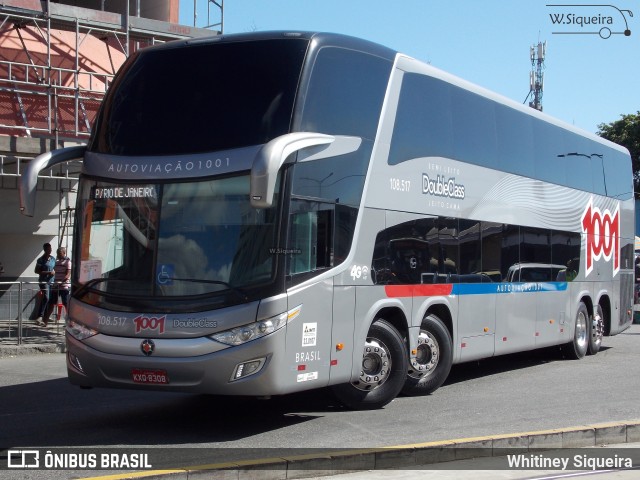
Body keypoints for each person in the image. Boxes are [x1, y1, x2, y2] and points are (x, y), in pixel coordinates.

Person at [42, 247, 71, 327]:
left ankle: (70, 322)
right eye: (57, 253)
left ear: (64, 253)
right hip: (55, 286)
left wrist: (62, 281)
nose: (58, 255)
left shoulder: (68, 261)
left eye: (60, 253)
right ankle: (45, 321)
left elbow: (68, 273)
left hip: (64, 286)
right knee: (51, 303)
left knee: (66, 303)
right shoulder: (56, 261)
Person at [34, 243, 55, 326]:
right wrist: (48, 272)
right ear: (45, 250)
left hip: (52, 281)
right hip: (43, 281)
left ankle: (46, 316)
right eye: (48, 249)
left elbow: (55, 268)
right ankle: (40, 316)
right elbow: (36, 271)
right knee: (46, 297)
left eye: (50, 249)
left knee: (50, 299)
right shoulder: (40, 260)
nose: (50, 250)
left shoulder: (53, 259)